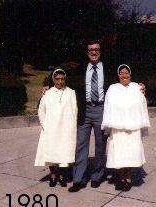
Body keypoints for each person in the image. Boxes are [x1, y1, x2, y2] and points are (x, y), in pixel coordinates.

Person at [42, 40, 146, 192]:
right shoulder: (80, 69)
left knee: (100, 145)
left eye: (96, 49)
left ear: (100, 51)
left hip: (101, 109)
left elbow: (125, 77)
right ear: (87, 52)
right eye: (91, 49)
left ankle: (97, 176)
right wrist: (48, 86)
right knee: (81, 145)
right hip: (84, 110)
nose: (94, 52)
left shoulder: (108, 68)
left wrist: (141, 85)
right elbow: (63, 80)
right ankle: (79, 179)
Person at [101, 64, 150, 191]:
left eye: (126, 73)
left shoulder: (136, 87)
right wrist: (108, 123)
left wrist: (141, 121)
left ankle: (129, 179)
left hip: (133, 128)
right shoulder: (112, 88)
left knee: (131, 155)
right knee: (120, 155)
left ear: (130, 75)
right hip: (118, 128)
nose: (124, 75)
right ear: (118, 75)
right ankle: (121, 179)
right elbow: (108, 106)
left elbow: (142, 104)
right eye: (121, 73)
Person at [35, 69, 77, 188]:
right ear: (53, 80)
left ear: (65, 79)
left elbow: (75, 111)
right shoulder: (47, 93)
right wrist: (46, 126)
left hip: (65, 129)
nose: (60, 82)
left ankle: (62, 175)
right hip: (51, 129)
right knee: (51, 152)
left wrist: (71, 128)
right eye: (57, 79)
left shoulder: (71, 93)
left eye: (62, 79)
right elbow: (41, 111)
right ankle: (53, 175)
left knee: (64, 153)